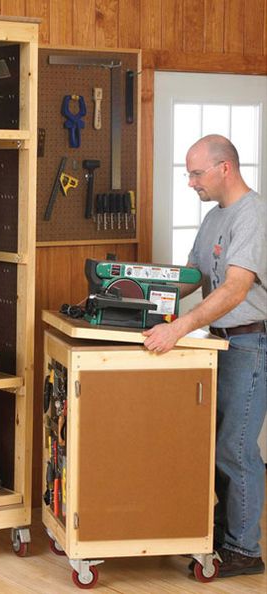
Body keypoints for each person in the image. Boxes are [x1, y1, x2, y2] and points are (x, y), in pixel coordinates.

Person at [143, 134, 267, 578]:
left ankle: (245, 549)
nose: (190, 181)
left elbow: (235, 288)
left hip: (250, 344)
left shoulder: (253, 215)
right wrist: (135, 303)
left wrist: (177, 327)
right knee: (212, 446)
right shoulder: (215, 218)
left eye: (196, 172)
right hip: (219, 342)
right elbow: (192, 277)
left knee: (235, 448)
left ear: (224, 169)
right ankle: (219, 531)